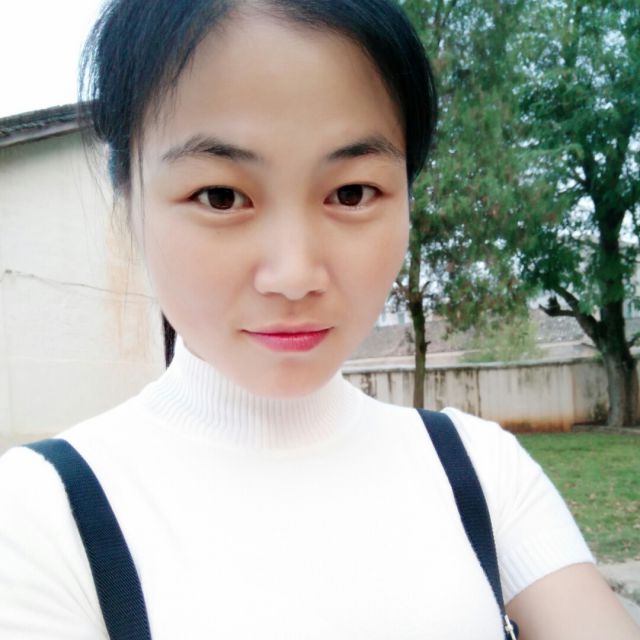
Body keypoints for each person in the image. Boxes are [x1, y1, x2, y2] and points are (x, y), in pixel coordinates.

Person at [0, 1, 638, 638]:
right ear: (128, 202)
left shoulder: (478, 471)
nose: (295, 274)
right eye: (221, 196)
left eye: (352, 193)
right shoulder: (44, 516)